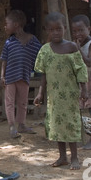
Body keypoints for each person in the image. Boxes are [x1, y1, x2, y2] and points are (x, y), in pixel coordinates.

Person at [34, 12, 88, 170]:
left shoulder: (71, 47)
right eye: (52, 30)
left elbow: (80, 69)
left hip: (70, 96)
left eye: (59, 29)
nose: (56, 32)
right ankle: (62, 156)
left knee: (70, 125)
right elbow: (43, 74)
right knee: (57, 126)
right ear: (47, 31)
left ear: (65, 29)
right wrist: (40, 93)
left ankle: (75, 158)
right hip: (54, 97)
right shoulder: (45, 50)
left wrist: (84, 90)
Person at [0, 10, 41, 138]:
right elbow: (4, 61)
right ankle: (12, 126)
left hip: (24, 76)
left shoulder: (32, 41)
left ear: (16, 24)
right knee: (9, 102)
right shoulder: (9, 42)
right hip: (10, 77)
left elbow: (41, 54)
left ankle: (22, 125)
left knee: (23, 102)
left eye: (7, 23)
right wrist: (2, 76)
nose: (5, 26)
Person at [71, 14, 91, 149]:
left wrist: (78, 50)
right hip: (82, 82)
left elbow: (89, 63)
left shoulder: (89, 45)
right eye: (75, 31)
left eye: (81, 30)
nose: (78, 33)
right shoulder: (76, 45)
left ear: (89, 29)